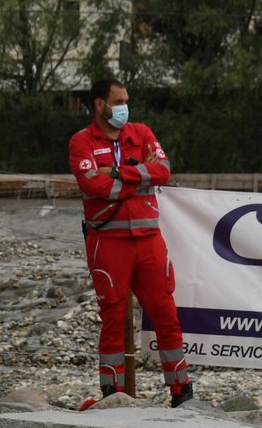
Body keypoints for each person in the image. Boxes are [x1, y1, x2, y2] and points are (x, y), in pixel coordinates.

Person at [68, 76, 193, 408]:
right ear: (100, 104)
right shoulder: (81, 142)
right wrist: (138, 176)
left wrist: (120, 173)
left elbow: (163, 170)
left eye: (125, 101)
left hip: (148, 241)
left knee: (165, 312)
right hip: (108, 243)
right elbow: (94, 185)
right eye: (118, 101)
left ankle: (181, 390)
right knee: (112, 316)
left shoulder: (142, 132)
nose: (124, 107)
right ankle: (113, 395)